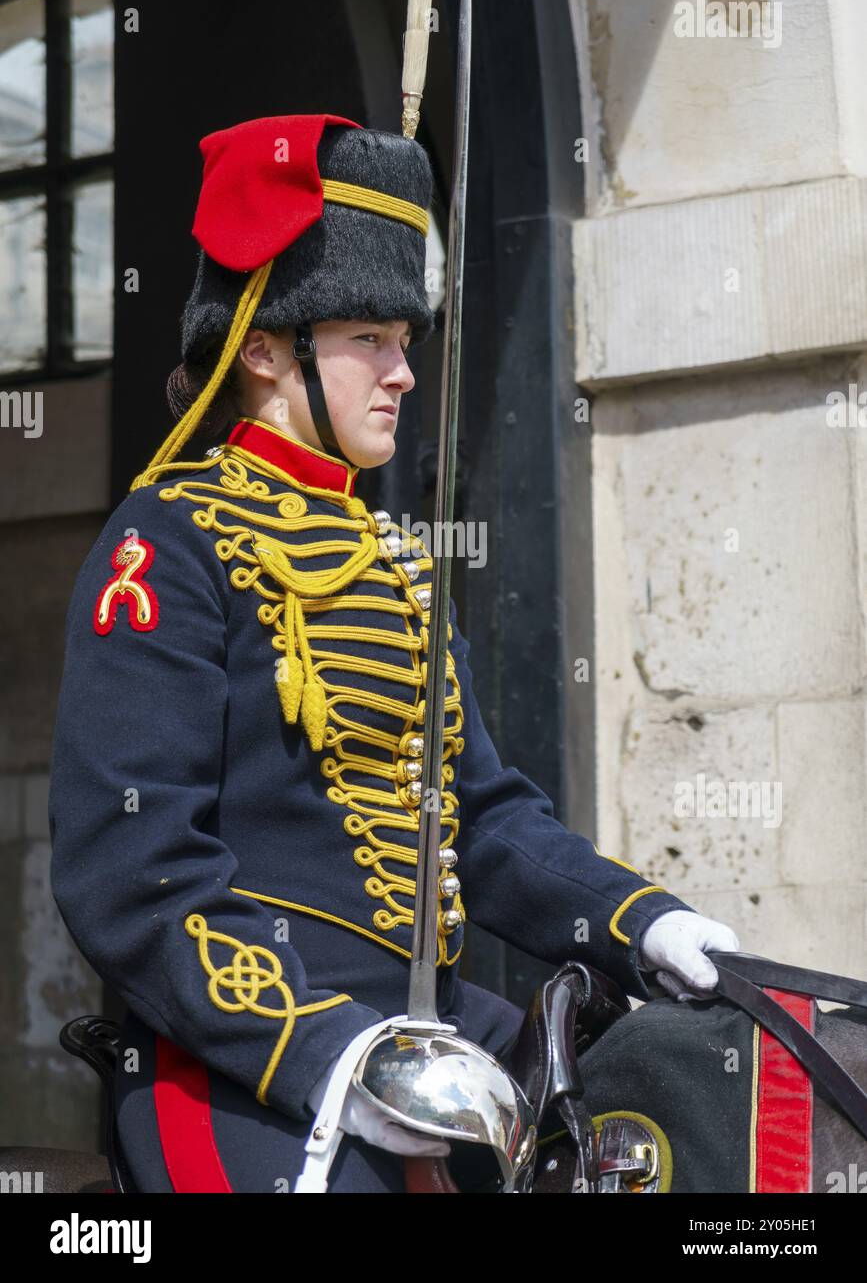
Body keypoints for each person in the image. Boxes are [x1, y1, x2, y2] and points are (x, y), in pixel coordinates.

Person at [48, 112, 739, 1193]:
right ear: (265, 350)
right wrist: (330, 1057)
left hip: (442, 1032)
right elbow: (133, 871)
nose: (402, 372)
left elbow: (489, 821)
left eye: (405, 341)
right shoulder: (165, 545)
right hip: (249, 1064)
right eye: (369, 336)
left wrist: (646, 923)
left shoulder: (394, 560)